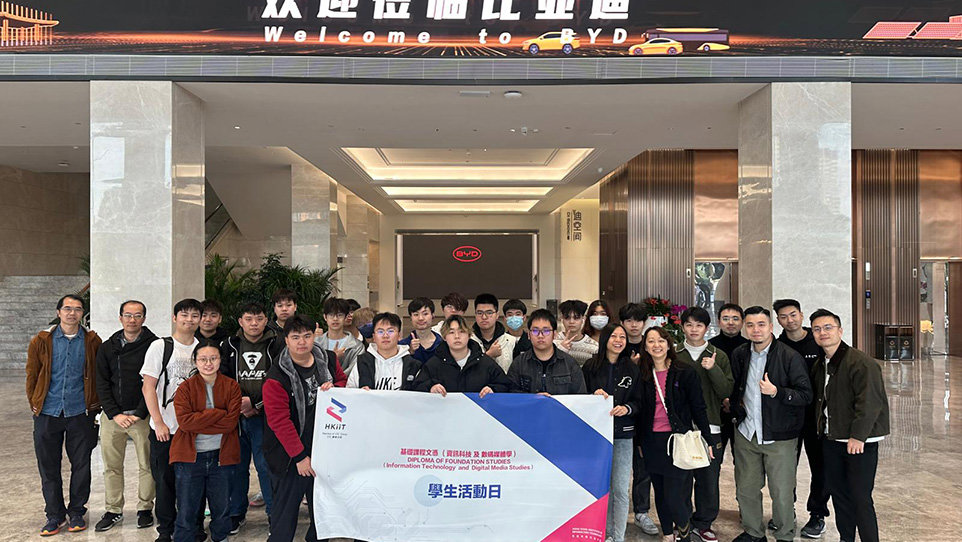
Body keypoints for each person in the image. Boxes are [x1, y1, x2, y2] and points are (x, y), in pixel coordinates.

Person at [729, 306, 813, 542]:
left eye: (761, 324)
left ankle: (785, 535)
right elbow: (736, 387)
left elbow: (805, 395)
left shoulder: (789, 356)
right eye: (750, 325)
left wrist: (777, 392)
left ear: (771, 326)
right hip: (747, 433)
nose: (756, 330)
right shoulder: (740, 354)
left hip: (780, 435)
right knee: (746, 488)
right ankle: (753, 533)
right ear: (745, 328)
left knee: (782, 492)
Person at [26, 294, 103, 536]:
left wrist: (95, 405)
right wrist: (35, 402)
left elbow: (99, 374)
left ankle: (77, 512)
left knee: (81, 465)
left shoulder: (92, 341)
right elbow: (32, 374)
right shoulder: (42, 340)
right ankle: (54, 515)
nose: (72, 313)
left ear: (83, 314)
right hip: (48, 412)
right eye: (67, 308)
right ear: (58, 312)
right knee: (48, 466)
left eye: (78, 309)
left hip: (80, 411)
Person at [810, 309, 889, 542]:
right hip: (833, 438)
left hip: (858, 442)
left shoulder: (861, 362)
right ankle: (846, 538)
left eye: (828, 327)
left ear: (840, 331)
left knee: (860, 498)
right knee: (839, 495)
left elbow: (870, 403)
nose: (823, 333)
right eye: (817, 329)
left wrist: (858, 436)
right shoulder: (822, 363)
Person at [636, 326, 714, 542]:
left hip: (678, 441)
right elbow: (640, 411)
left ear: (669, 344)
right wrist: (639, 442)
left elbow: (699, 408)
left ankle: (685, 535)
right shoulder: (642, 373)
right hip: (652, 442)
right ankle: (668, 535)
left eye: (661, 340)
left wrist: (707, 438)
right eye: (651, 341)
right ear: (645, 346)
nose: (656, 345)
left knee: (674, 495)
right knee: (660, 493)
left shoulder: (685, 372)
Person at [262, 315, 334, 542]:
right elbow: (279, 421)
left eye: (307, 336)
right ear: (286, 340)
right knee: (285, 513)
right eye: (295, 337)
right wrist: (300, 457)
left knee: (321, 509)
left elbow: (342, 386)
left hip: (322, 447)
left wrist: (334, 387)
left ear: (314, 336)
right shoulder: (276, 376)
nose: (302, 342)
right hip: (289, 454)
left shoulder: (328, 360)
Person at [141, 298, 203, 542]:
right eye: (184, 315)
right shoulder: (160, 346)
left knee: (195, 482)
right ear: (175, 318)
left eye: (195, 315)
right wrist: (158, 422)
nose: (189, 320)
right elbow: (148, 387)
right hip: (165, 429)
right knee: (165, 483)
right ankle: (166, 530)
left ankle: (194, 527)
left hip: (193, 430)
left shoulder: (203, 348)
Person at [94, 300, 157, 532]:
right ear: (120, 318)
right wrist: (114, 413)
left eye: (137, 315)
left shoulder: (154, 345)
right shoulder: (107, 347)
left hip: (142, 416)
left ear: (144, 318)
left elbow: (154, 382)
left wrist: (140, 412)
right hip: (113, 417)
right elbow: (101, 383)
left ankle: (145, 508)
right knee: (112, 466)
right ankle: (113, 510)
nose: (132, 320)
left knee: (147, 464)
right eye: (128, 315)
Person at [220, 302, 283, 534]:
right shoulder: (229, 344)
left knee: (266, 467)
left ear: (266, 320)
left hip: (266, 416)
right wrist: (239, 404)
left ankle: (274, 514)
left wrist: (255, 403)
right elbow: (222, 377)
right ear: (240, 322)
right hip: (236, 417)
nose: (254, 323)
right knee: (236, 467)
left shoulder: (277, 343)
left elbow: (280, 378)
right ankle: (236, 513)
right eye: (249, 319)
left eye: (259, 319)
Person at [170, 341, 242, 542]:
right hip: (190, 458)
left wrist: (200, 419)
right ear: (195, 361)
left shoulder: (232, 386)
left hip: (222, 455)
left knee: (222, 508)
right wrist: (218, 413)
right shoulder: (185, 388)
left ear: (220, 360)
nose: (208, 363)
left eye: (213, 358)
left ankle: (220, 537)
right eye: (203, 359)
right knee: (186, 509)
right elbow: (185, 423)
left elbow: (230, 423)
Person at [773, 298, 830, 538]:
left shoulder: (818, 341)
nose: (789, 320)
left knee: (820, 467)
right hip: (788, 416)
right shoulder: (777, 346)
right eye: (783, 316)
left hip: (816, 417)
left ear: (801, 314)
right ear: (778, 320)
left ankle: (817, 515)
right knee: (785, 468)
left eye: (793, 314)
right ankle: (787, 511)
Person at [675, 307, 732, 542]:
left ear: (707, 328)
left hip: (711, 427)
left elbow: (726, 391)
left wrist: (713, 369)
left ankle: (704, 523)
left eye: (699, 325)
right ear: (682, 327)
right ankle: (683, 524)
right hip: (680, 429)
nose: (694, 329)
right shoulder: (674, 353)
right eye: (689, 324)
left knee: (708, 479)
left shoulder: (718, 355)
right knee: (681, 478)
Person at [581, 323, 642, 542]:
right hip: (597, 436)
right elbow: (579, 396)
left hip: (623, 435)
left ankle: (618, 536)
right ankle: (603, 533)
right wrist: (593, 396)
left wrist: (627, 408)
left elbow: (639, 401)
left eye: (622, 337)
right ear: (605, 339)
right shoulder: (590, 366)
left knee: (620, 489)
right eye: (614, 336)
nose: (618, 340)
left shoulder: (632, 368)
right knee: (601, 487)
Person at [617, 302, 657, 535]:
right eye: (629, 320)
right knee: (616, 468)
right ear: (622, 322)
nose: (634, 325)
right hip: (620, 415)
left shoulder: (651, 345)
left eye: (638, 320)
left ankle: (642, 512)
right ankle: (613, 512)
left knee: (643, 466)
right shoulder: (616, 345)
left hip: (646, 414)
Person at [413, 315, 513, 395]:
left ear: (469, 335)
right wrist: (431, 387)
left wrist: (493, 389)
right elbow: (416, 388)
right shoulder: (434, 364)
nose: (457, 336)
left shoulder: (485, 363)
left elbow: (505, 385)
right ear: (444, 337)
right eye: (451, 332)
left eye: (461, 331)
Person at [506, 309, 587, 395]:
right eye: (535, 331)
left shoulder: (569, 364)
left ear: (554, 334)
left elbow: (580, 396)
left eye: (546, 331)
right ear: (529, 335)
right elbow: (511, 395)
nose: (540, 336)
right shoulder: (519, 363)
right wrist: (533, 399)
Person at [708, 303, 749, 462]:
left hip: (743, 410)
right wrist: (723, 400)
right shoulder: (710, 347)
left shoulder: (750, 347)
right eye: (726, 319)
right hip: (716, 410)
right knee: (713, 459)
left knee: (743, 461)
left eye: (735, 319)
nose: (730, 322)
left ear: (742, 322)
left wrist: (734, 401)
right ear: (718, 322)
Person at [349, 312, 420, 390]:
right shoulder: (362, 362)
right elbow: (349, 392)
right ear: (374, 337)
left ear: (399, 335)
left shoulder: (413, 365)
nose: (385, 335)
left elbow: (418, 395)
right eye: (380, 331)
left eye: (390, 331)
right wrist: (360, 393)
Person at [315, 297, 365, 377]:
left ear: (346, 317)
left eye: (339, 315)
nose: (335, 319)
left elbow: (353, 372)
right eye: (331, 315)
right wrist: (333, 359)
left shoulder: (357, 346)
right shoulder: (316, 343)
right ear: (325, 317)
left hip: (346, 384)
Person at [470, 293, 518, 373]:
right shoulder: (468, 341)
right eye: (479, 313)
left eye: (489, 313)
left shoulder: (511, 341)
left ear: (497, 315)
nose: (484, 317)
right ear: (475, 315)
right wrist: (488, 355)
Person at [555, 299, 600, 366]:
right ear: (562, 319)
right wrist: (559, 351)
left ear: (583, 318)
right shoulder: (553, 342)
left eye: (576, 318)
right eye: (567, 318)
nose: (571, 322)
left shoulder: (594, 347)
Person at [399, 297, 443, 364]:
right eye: (416, 314)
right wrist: (409, 352)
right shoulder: (402, 345)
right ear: (410, 318)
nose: (420, 318)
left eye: (425, 314)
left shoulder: (442, 344)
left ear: (433, 315)